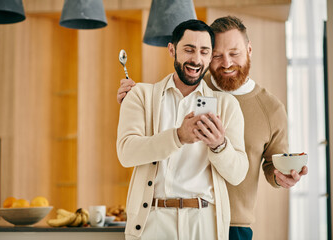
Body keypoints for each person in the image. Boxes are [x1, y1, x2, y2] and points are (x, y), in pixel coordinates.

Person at [117, 16, 308, 240]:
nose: (226, 63)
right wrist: (136, 101)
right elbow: (131, 147)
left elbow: (268, 165)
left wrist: (280, 175)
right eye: (217, 55)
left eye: (234, 53)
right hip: (157, 219)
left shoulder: (256, 107)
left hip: (222, 221)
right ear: (173, 50)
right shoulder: (162, 89)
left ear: (248, 50)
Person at [116, 19, 248, 240]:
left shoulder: (226, 105)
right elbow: (126, 153)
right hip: (153, 221)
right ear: (172, 49)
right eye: (189, 49)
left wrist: (219, 146)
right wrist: (178, 136)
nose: (196, 59)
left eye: (204, 51)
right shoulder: (141, 95)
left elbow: (237, 174)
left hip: (204, 222)